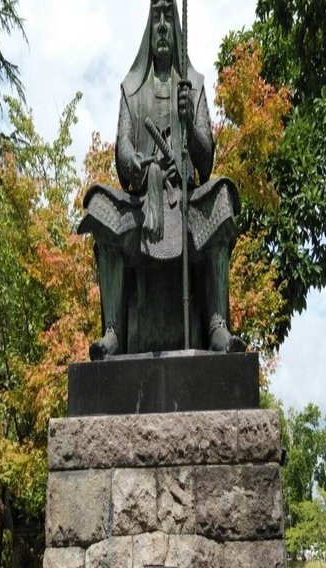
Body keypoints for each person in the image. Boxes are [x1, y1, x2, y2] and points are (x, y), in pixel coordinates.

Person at [77, 0, 245, 359]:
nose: (164, 25)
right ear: (149, 30)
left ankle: (217, 325)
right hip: (143, 205)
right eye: (157, 17)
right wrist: (136, 162)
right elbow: (122, 147)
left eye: (170, 16)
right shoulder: (131, 89)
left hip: (184, 203)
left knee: (222, 197)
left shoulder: (193, 86)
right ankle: (113, 331)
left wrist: (190, 123)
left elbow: (206, 161)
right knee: (100, 206)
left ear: (177, 31)